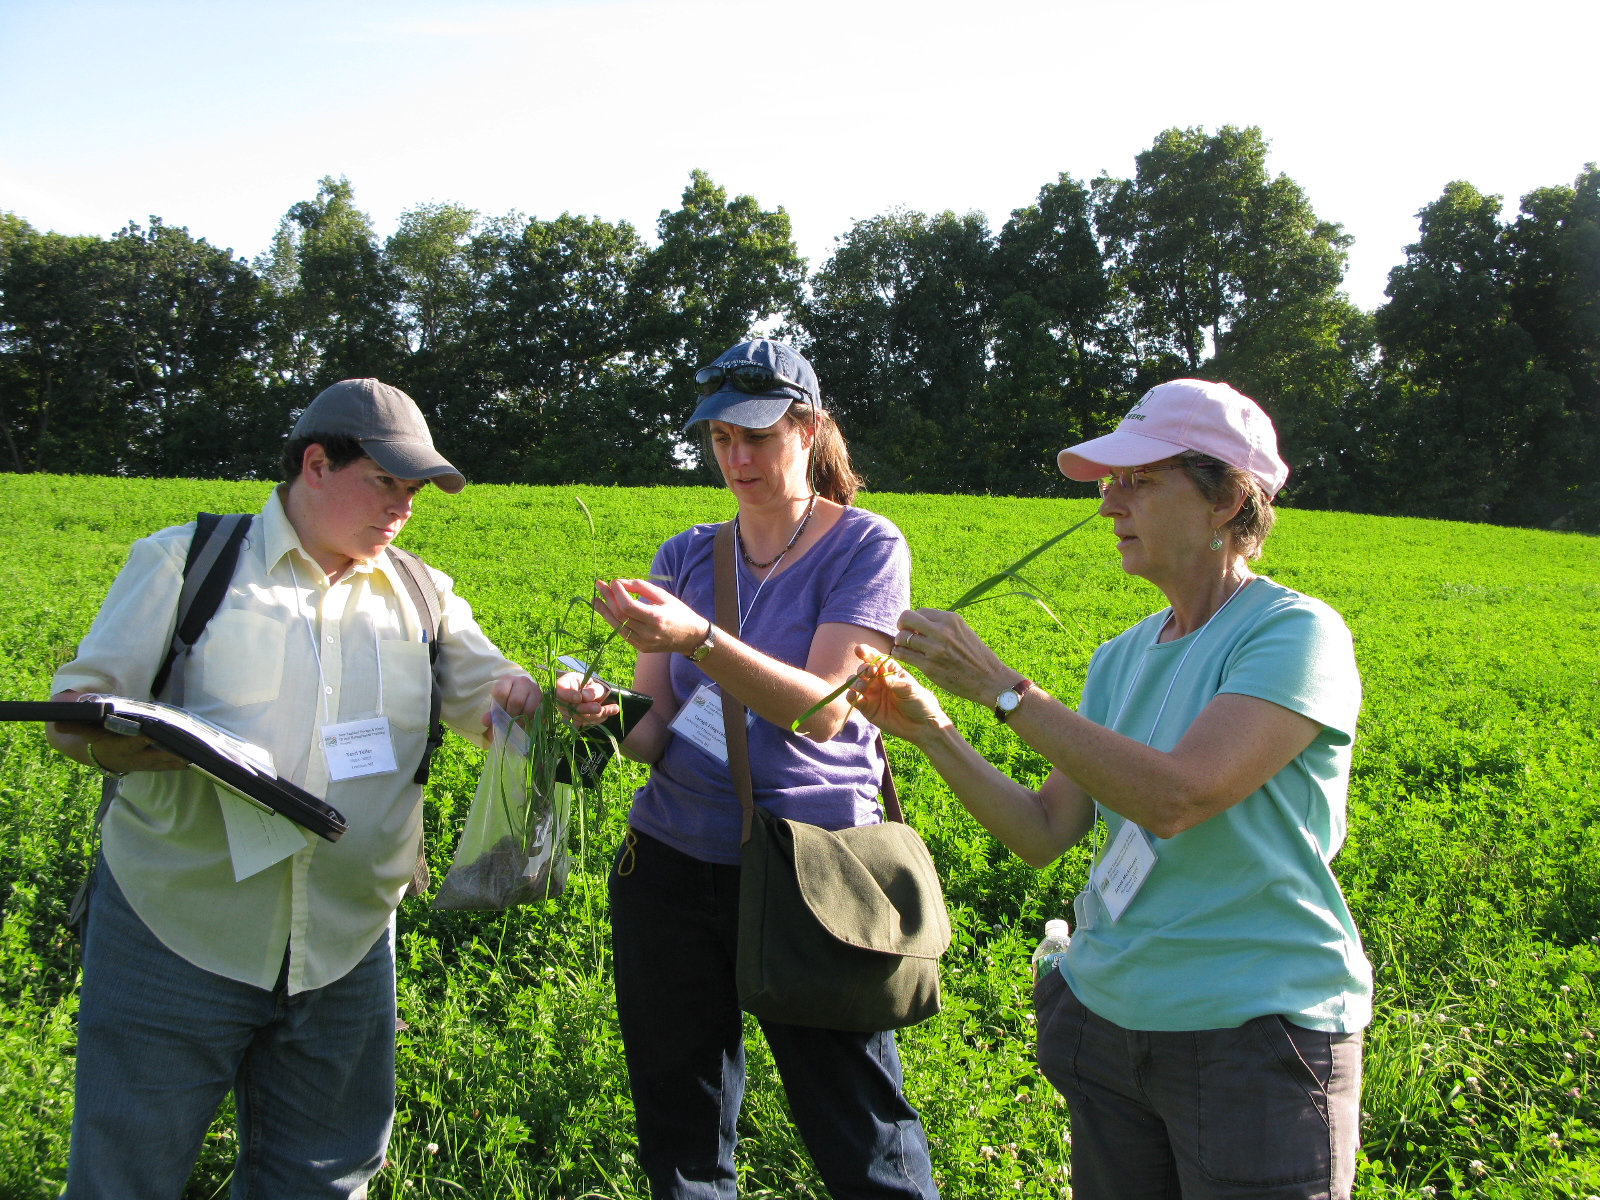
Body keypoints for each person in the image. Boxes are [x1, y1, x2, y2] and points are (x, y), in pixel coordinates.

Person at [848, 379, 1370, 1200]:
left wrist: (1002, 689)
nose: (1108, 507)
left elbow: (1179, 798)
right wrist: (931, 730)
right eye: (1108, 484)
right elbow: (1045, 829)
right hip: (1110, 1022)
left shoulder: (1296, 633)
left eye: (1139, 481)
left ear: (1229, 500)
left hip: (1254, 1040)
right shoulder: (1120, 656)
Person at [47, 378, 539, 1199]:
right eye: (386, 482)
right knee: (125, 1175)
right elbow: (73, 720)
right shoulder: (184, 563)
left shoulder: (423, 594)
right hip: (178, 930)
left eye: (414, 492)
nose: (403, 509)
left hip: (348, 946)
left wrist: (544, 704)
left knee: (325, 1175)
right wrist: (153, 743)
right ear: (316, 464)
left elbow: (495, 698)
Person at [556, 339, 940, 1199]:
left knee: (862, 1130)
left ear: (808, 429)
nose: (737, 459)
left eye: (758, 437)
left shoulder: (866, 548)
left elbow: (825, 710)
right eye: (722, 438)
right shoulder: (687, 553)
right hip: (669, 863)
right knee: (680, 1134)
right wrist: (595, 707)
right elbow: (655, 734)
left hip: (807, 867)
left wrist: (698, 637)